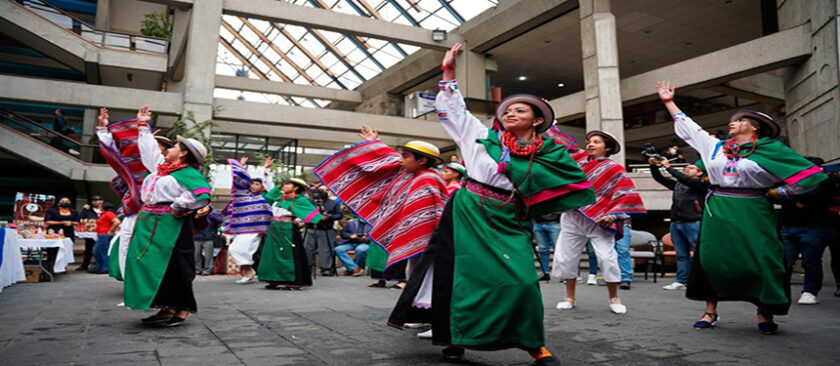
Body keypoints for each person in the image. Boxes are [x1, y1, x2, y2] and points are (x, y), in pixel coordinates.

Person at [386, 43, 595, 365]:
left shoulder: (551, 153)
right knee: (461, 277)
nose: (511, 113)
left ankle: (532, 342)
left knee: (522, 280)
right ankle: (453, 337)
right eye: (507, 110)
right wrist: (448, 71)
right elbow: (454, 110)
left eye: (520, 110)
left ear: (537, 121)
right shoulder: (481, 137)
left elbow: (570, 181)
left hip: (511, 218)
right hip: (468, 213)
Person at [656, 80, 828, 335]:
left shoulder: (772, 150)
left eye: (740, 119)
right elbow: (689, 129)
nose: (732, 123)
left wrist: (778, 193)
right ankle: (710, 311)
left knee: (762, 259)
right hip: (719, 210)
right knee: (712, 259)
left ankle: (764, 312)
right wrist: (669, 102)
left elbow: (810, 178)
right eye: (732, 120)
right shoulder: (715, 147)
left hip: (755, 209)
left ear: (755, 126)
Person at [124, 105, 211, 327]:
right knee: (147, 262)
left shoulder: (188, 174)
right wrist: (142, 125)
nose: (168, 149)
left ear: (183, 153)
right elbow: (149, 151)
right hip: (149, 222)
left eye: (174, 146)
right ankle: (165, 306)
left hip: (171, 224)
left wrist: (179, 205)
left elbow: (201, 196)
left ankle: (182, 307)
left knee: (174, 265)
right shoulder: (162, 169)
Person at [549, 129, 646, 312]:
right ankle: (569, 297)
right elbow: (562, 145)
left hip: (600, 220)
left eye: (596, 142)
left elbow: (625, 194)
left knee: (607, 259)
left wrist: (613, 216)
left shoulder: (615, 169)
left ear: (607, 148)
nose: (590, 145)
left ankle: (614, 298)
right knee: (566, 258)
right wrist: (550, 125)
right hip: (572, 217)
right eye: (589, 142)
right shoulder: (577, 161)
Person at [97, 107, 175, 281]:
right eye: (155, 144)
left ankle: (153, 288)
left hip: (159, 216)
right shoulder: (134, 168)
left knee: (154, 252)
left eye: (162, 146)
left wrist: (142, 127)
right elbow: (113, 155)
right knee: (126, 246)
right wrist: (103, 130)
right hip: (134, 212)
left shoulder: (168, 169)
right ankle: (131, 287)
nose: (157, 148)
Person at [776, 156, 836, 305]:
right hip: (789, 227)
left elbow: (818, 197)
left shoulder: (824, 183)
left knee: (811, 261)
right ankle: (780, 292)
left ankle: (810, 291)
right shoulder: (789, 179)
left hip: (814, 228)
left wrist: (796, 198)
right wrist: (796, 200)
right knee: (785, 261)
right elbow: (775, 196)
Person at [648, 156, 707, 290]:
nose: (687, 168)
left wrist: (668, 167)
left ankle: (703, 280)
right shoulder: (678, 184)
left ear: (699, 173)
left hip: (693, 222)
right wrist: (653, 166)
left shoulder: (701, 185)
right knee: (681, 254)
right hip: (676, 222)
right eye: (686, 167)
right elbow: (660, 179)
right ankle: (681, 280)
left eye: (691, 168)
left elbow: (685, 179)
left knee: (699, 254)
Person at [260, 178, 321, 290]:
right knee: (273, 254)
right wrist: (267, 169)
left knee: (291, 255)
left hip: (288, 228)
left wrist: (299, 221)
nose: (284, 186)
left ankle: (294, 281)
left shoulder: (300, 200)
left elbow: (313, 214)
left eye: (288, 184)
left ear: (296, 187)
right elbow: (269, 186)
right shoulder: (278, 197)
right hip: (274, 228)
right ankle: (274, 280)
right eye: (284, 184)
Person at [225, 156, 273, 284]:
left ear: (263, 188)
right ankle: (249, 271)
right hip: (243, 229)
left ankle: (250, 272)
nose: (253, 185)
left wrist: (266, 169)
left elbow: (270, 185)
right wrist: (241, 167)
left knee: (244, 250)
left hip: (258, 229)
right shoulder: (244, 197)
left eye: (257, 184)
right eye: (252, 183)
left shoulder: (266, 197)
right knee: (235, 249)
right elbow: (239, 182)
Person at [304, 186, 343, 276]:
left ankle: (326, 268)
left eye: (326, 190)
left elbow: (339, 215)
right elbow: (304, 213)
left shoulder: (333, 203)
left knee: (325, 250)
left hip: (326, 228)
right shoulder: (310, 202)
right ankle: (307, 267)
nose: (323, 192)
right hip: (310, 227)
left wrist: (329, 217)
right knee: (308, 249)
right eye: (321, 190)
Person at [44, 197, 79, 274]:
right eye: (63, 201)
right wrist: (61, 222)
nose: (65, 202)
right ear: (58, 203)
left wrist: (71, 222)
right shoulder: (52, 211)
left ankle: (63, 267)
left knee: (66, 250)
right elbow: (47, 221)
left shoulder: (73, 211)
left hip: (68, 232)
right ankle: (50, 267)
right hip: (54, 232)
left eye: (67, 201)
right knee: (52, 250)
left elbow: (77, 222)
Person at [194, 206, 223, 276]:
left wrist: (209, 213)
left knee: (208, 256)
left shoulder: (212, 212)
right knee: (196, 255)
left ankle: (208, 270)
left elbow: (219, 220)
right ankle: (197, 270)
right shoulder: (195, 210)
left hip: (209, 237)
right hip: (196, 237)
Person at [76, 195, 103, 271]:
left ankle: (101, 264)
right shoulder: (87, 210)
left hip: (103, 232)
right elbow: (81, 219)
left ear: (101, 201)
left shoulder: (105, 210)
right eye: (93, 201)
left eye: (96, 200)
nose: (94, 202)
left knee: (102, 249)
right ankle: (85, 264)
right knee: (88, 249)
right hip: (90, 232)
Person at [532, 212, 561, 282]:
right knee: (543, 250)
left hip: (553, 222)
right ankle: (545, 272)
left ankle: (561, 273)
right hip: (539, 223)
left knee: (558, 250)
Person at [92, 202, 120, 274]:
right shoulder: (104, 214)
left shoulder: (108, 213)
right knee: (97, 251)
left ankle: (105, 267)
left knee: (103, 251)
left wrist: (111, 230)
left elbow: (116, 222)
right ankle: (98, 266)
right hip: (101, 234)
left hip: (104, 235)